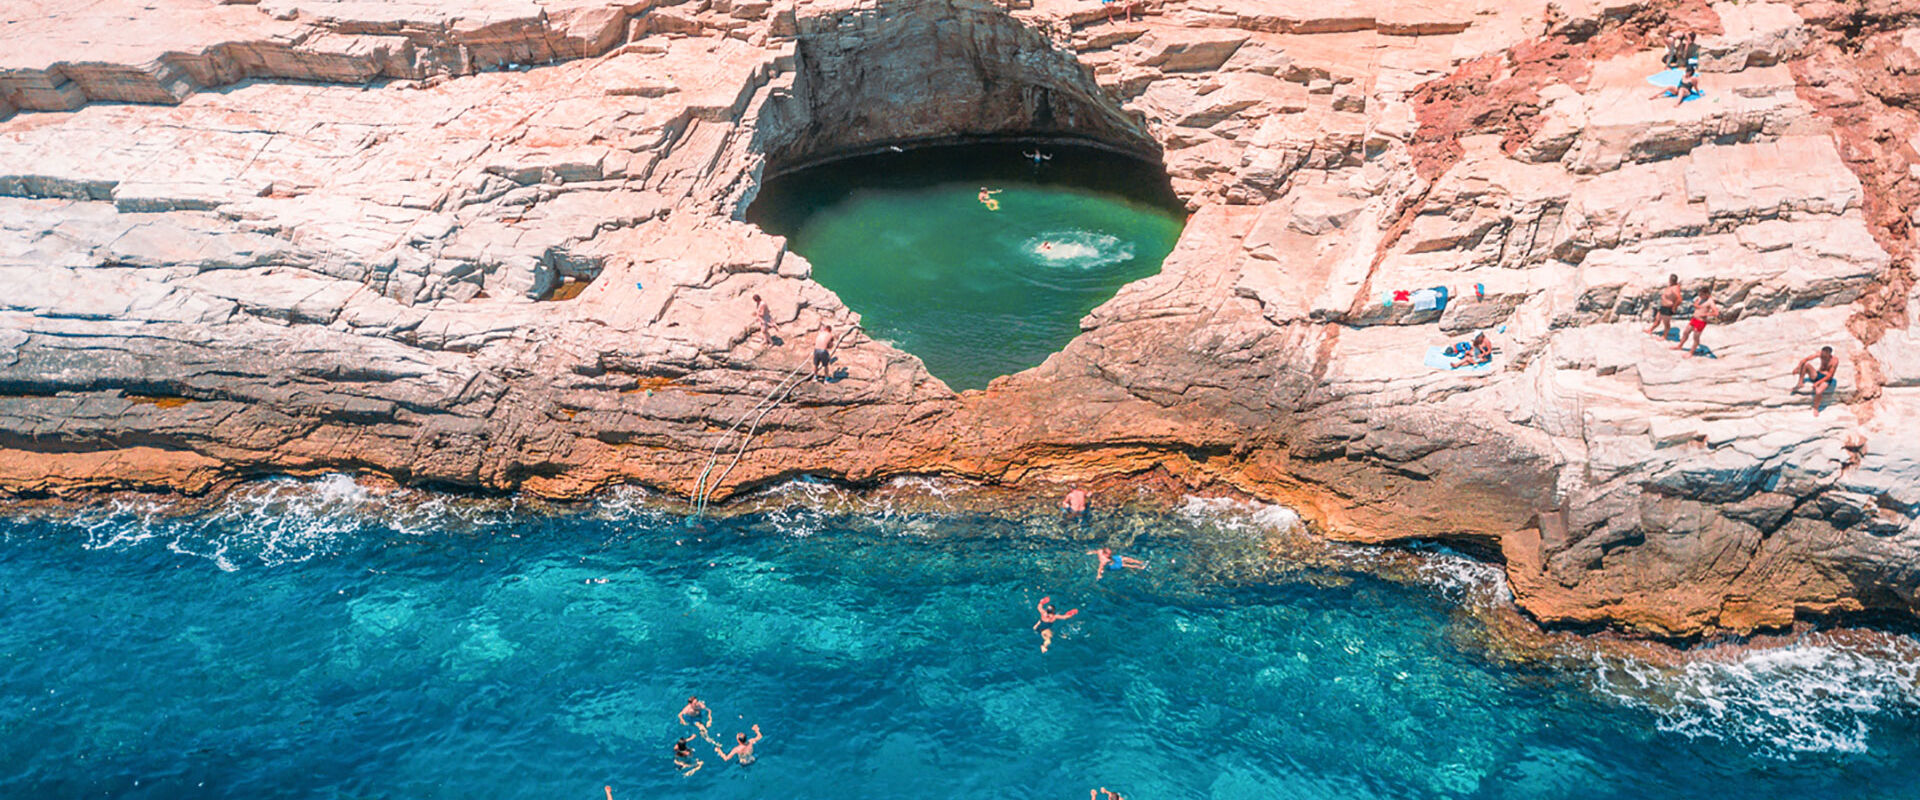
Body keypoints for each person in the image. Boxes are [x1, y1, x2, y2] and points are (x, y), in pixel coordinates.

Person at [1674, 285, 1718, 356]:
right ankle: (1680, 346)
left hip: (1701, 321)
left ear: (1707, 294)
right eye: (1699, 294)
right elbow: (1695, 304)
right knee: (1686, 332)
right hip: (1694, 319)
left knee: (1695, 337)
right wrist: (1696, 305)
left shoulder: (1710, 302)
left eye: (1701, 294)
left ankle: (1691, 352)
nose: (1700, 295)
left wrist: (1705, 314)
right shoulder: (1700, 298)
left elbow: (1716, 312)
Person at [1793, 346, 1839, 414]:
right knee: (1806, 365)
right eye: (1822, 354)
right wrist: (1798, 367)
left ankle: (1816, 408)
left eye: (1825, 355)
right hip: (1818, 374)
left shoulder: (1834, 361)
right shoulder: (1820, 354)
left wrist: (1818, 383)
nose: (1823, 356)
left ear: (1829, 354)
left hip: (1826, 378)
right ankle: (1800, 383)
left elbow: (1830, 376)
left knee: (1818, 391)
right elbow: (1805, 360)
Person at [1646, 274, 1683, 339]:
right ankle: (1650, 330)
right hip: (1663, 307)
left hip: (1668, 308)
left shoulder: (1675, 288)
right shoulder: (1671, 286)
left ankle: (1664, 336)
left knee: (1666, 324)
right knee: (1657, 320)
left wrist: (1674, 307)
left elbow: (1679, 299)